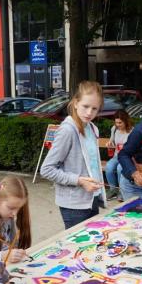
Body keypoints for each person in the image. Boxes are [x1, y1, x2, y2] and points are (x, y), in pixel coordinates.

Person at [40, 81, 106, 229]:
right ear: (75, 103)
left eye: (95, 109)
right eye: (85, 106)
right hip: (74, 206)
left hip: (92, 199)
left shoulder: (92, 128)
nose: (89, 113)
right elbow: (47, 169)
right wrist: (79, 181)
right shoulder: (68, 130)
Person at [105, 109, 134, 202]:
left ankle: (122, 192)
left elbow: (135, 147)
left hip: (128, 157)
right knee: (109, 167)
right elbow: (112, 141)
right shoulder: (114, 129)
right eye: (116, 122)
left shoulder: (132, 131)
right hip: (117, 155)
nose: (118, 125)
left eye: (120, 123)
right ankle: (113, 190)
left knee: (120, 168)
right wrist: (109, 143)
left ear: (126, 121)